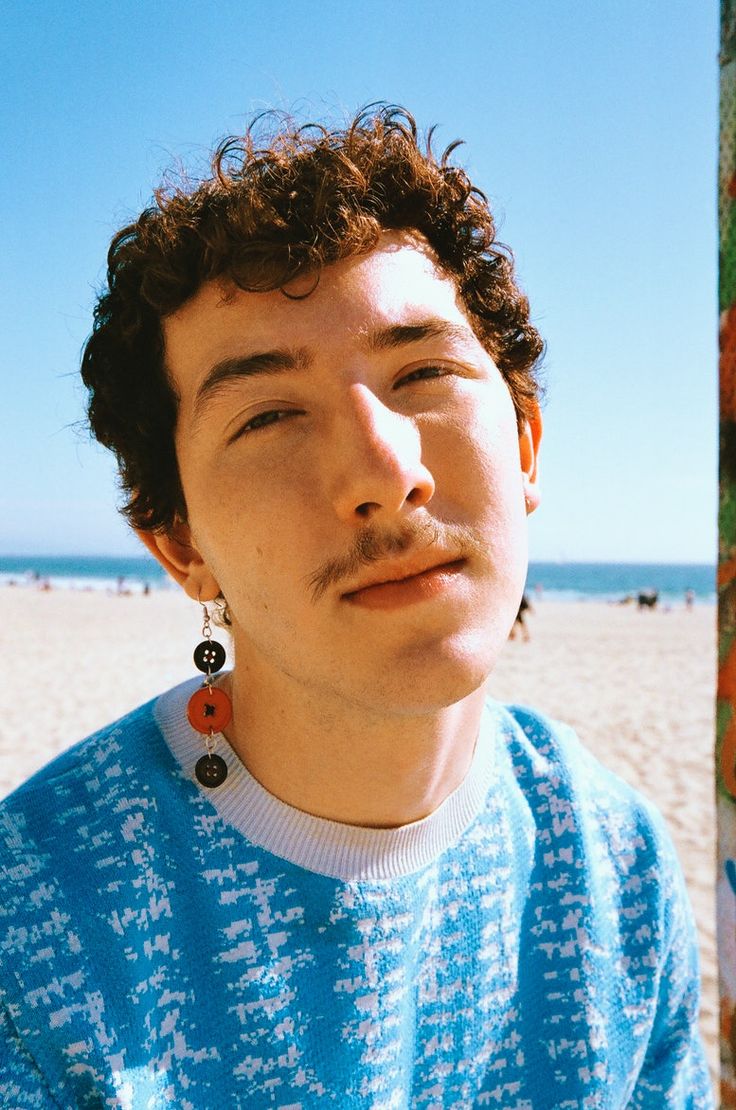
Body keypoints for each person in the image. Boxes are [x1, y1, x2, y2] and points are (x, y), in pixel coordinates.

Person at [0, 106, 712, 1107]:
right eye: (271, 415)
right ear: (179, 543)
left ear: (525, 445)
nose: (385, 471)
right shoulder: (38, 936)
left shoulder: (614, 865)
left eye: (422, 373)